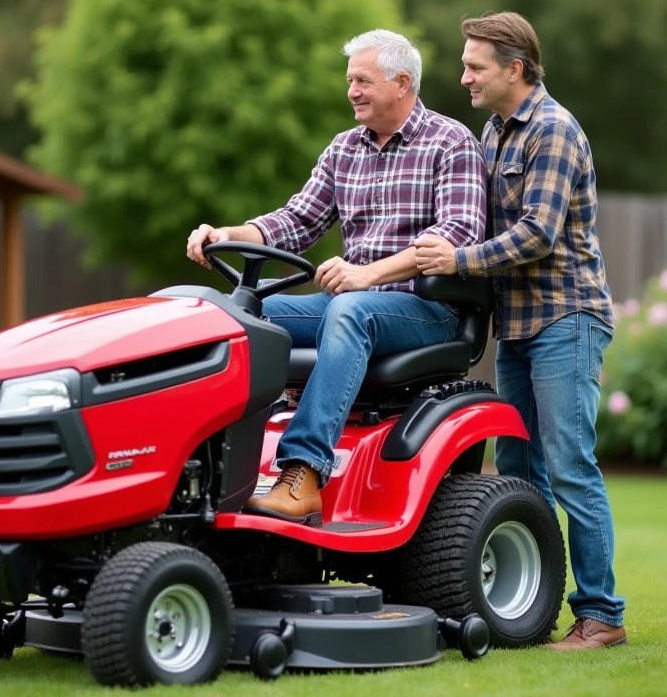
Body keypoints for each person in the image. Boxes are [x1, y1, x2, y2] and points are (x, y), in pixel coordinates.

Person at [186, 29, 486, 526]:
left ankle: (302, 473)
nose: (352, 91)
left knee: (349, 309)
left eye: (362, 80)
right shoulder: (345, 149)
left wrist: (368, 275)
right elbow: (296, 221)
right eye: (350, 81)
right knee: (233, 314)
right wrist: (227, 234)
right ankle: (206, 461)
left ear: (402, 82)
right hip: (353, 301)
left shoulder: (451, 143)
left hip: (427, 310)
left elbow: (456, 234)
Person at [414, 11, 626, 650]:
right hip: (519, 326)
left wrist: (457, 260)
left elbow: (537, 234)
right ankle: (534, 606)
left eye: (474, 66)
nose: (464, 77)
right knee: (516, 466)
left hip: (567, 318)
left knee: (569, 466)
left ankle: (602, 616)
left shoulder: (553, 130)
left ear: (515, 68)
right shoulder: (493, 132)